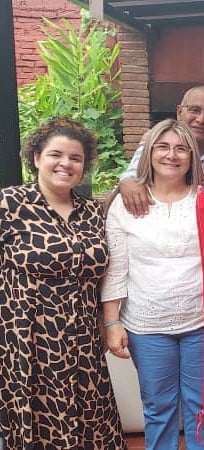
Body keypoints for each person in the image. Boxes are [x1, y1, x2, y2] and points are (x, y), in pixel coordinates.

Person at [0, 118, 126, 449]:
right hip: (29, 338)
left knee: (91, 418)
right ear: (37, 157)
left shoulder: (92, 211)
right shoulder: (9, 204)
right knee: (41, 421)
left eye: (76, 158)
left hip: (84, 336)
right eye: (56, 154)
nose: (65, 164)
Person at [101, 119, 204, 450]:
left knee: (203, 410)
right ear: (149, 152)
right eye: (163, 147)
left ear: (192, 157)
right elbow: (116, 270)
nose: (172, 155)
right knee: (159, 409)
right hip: (146, 326)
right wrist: (112, 322)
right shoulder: (126, 204)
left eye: (181, 148)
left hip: (202, 324)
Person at [118, 86, 204, 216]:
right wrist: (126, 181)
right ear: (180, 112)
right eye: (194, 110)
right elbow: (131, 176)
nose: (201, 120)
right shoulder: (154, 148)